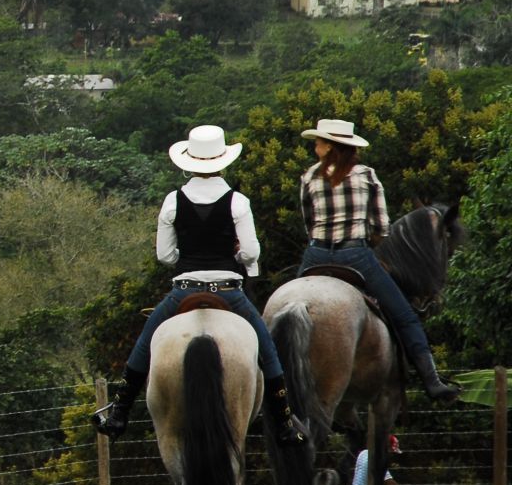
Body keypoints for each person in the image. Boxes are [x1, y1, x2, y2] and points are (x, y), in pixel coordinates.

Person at [93, 125, 307, 446]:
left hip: (184, 288)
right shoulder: (238, 201)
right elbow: (251, 252)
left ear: (188, 162)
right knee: (268, 350)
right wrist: (235, 252)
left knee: (144, 344)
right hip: (229, 292)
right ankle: (284, 420)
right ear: (223, 161)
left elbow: (165, 256)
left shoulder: (172, 201)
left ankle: (119, 411)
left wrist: (187, 254)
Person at [295, 118, 459, 403]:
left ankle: (270, 380)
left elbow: (308, 223)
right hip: (356, 255)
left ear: (331, 147)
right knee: (406, 317)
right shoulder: (367, 175)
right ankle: (432, 381)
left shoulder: (309, 177)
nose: (315, 145)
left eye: (319, 141)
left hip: (316, 254)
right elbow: (382, 227)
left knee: (285, 312)